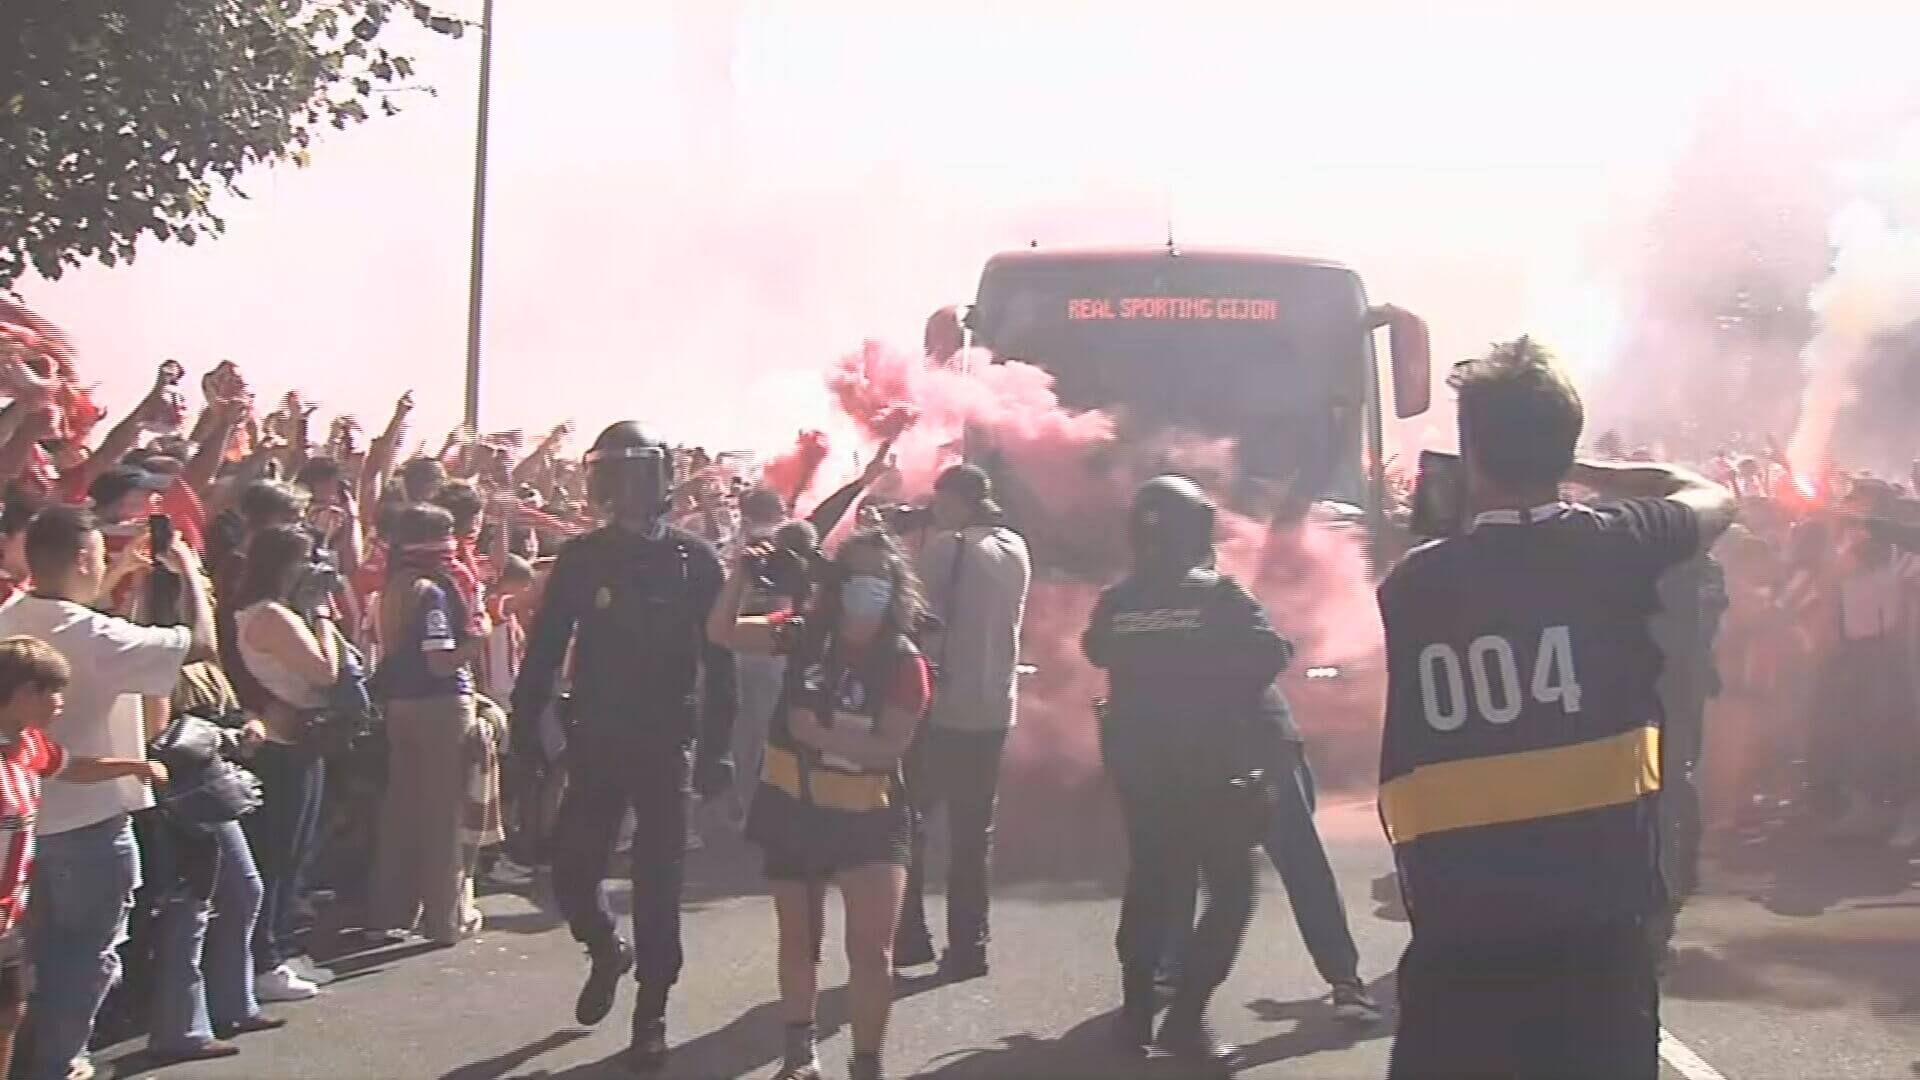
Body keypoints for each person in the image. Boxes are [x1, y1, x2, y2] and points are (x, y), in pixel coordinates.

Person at [1377, 339, 1734, 1080]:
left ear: (1472, 452)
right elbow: (1709, 494)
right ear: (1563, 444)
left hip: (1458, 950)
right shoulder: (1616, 547)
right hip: (1595, 945)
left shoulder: (1410, 589)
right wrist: (1576, 467)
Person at [511, 421, 736, 1075]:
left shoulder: (696, 559)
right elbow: (546, 650)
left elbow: (720, 663)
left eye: (632, 475)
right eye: (610, 475)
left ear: (658, 479)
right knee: (573, 872)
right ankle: (606, 949)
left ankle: (652, 1011)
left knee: (658, 881)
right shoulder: (583, 559)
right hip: (598, 738)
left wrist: (720, 747)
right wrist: (529, 728)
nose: (621, 490)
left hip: (668, 742)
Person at [709, 525, 930, 1080]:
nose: (867, 588)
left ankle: (866, 1063)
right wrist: (739, 576)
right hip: (794, 807)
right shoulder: (804, 633)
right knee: (800, 941)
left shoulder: (905, 660)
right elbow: (722, 632)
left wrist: (821, 737)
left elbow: (890, 747)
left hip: (869, 816)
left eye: (879, 578)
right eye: (856, 576)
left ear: (896, 588)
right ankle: (800, 1054)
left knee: (871, 950)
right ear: (836, 583)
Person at [0, 505, 213, 1080]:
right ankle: (57, 1065)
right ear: (80, 558)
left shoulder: (10, 616)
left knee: (23, 966)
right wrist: (188, 569)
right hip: (87, 827)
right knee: (84, 956)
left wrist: (117, 577)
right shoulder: (93, 633)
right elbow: (197, 644)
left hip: (26, 826)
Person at [1083, 475, 1283, 1065]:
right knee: (1230, 896)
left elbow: (1095, 650)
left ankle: (1135, 1018)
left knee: (1148, 890)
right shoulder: (1222, 597)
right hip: (1215, 776)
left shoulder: (1117, 601)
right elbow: (1270, 655)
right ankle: (1187, 1019)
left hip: (1143, 776)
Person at [0, 636, 169, 1076]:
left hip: (8, 916)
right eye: (49, 691)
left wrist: (133, 766)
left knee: (9, 1010)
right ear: (19, 694)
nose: (60, 702)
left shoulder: (29, 744)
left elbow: (70, 766)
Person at [894, 464, 1030, 980]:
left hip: (939, 707)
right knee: (974, 834)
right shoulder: (1015, 546)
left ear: (957, 499)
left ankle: (910, 938)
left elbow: (913, 612)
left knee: (912, 822)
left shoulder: (946, 549)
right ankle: (970, 946)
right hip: (994, 706)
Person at [230, 525, 341, 1002]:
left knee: (294, 852)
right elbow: (325, 671)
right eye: (303, 559)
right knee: (277, 854)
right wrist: (322, 619)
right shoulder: (271, 613)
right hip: (279, 745)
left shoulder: (269, 610)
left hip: (298, 738)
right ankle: (264, 960)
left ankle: (281, 947)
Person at [367, 504, 485, 946]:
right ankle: (445, 919)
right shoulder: (432, 590)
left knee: (402, 810)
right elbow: (440, 662)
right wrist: (478, 640)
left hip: (401, 705)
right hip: (440, 706)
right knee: (442, 815)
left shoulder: (393, 585)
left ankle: (391, 909)